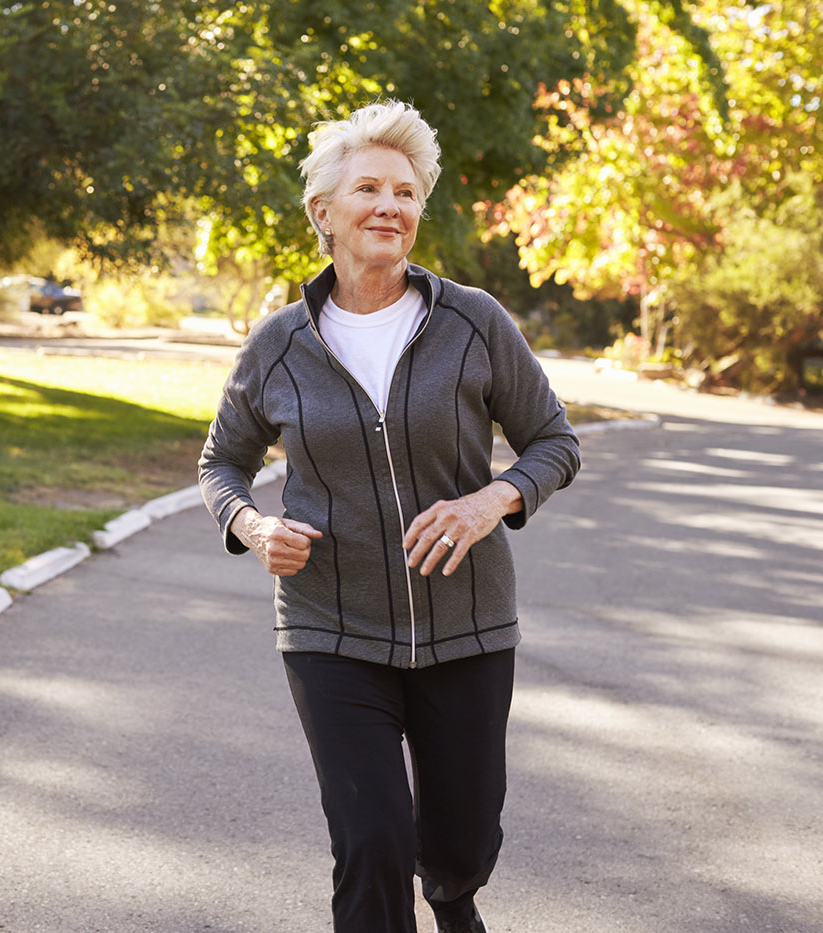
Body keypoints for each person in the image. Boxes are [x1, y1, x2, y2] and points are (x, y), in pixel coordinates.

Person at [197, 100, 580, 933]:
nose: (389, 206)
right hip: (330, 627)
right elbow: (222, 462)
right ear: (323, 213)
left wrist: (493, 498)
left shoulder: (474, 322)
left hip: (467, 627)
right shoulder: (278, 345)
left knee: (458, 842)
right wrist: (253, 527)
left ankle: (452, 895)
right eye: (368, 187)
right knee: (370, 843)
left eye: (406, 192)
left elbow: (554, 441)